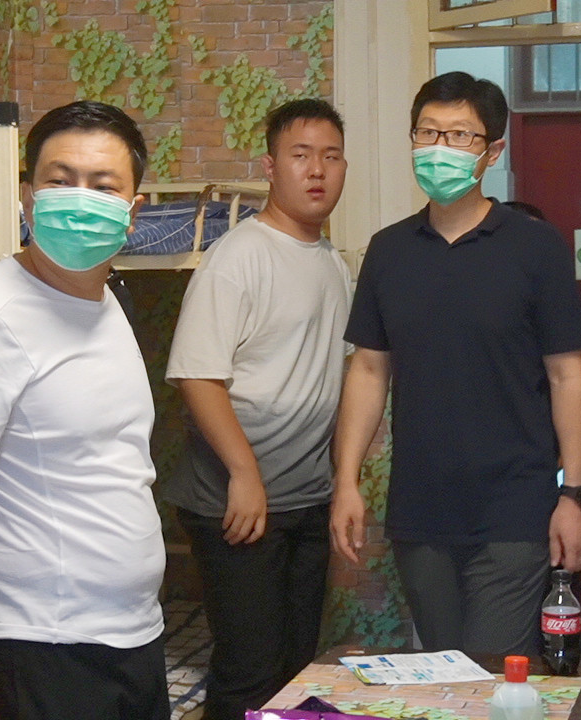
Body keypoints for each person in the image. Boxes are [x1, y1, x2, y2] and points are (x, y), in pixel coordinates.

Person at [0, 101, 169, 720]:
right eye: (60, 180)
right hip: (38, 647)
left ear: (133, 212)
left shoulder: (108, 303)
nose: (80, 199)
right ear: (27, 196)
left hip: (132, 637)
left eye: (103, 186)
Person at [330, 71, 581, 657]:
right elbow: (369, 370)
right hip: (420, 509)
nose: (440, 148)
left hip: (514, 508)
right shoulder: (388, 250)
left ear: (492, 152)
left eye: (459, 136)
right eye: (428, 133)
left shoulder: (535, 247)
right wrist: (346, 481)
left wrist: (574, 497)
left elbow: (568, 376)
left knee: (493, 673)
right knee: (445, 672)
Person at [163, 98, 351, 720]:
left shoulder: (333, 263)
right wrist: (244, 473)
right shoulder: (238, 256)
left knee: (295, 672)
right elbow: (197, 375)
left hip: (304, 497)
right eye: (301, 155)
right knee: (250, 672)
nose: (317, 170)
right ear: (271, 167)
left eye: (330, 157)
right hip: (236, 501)